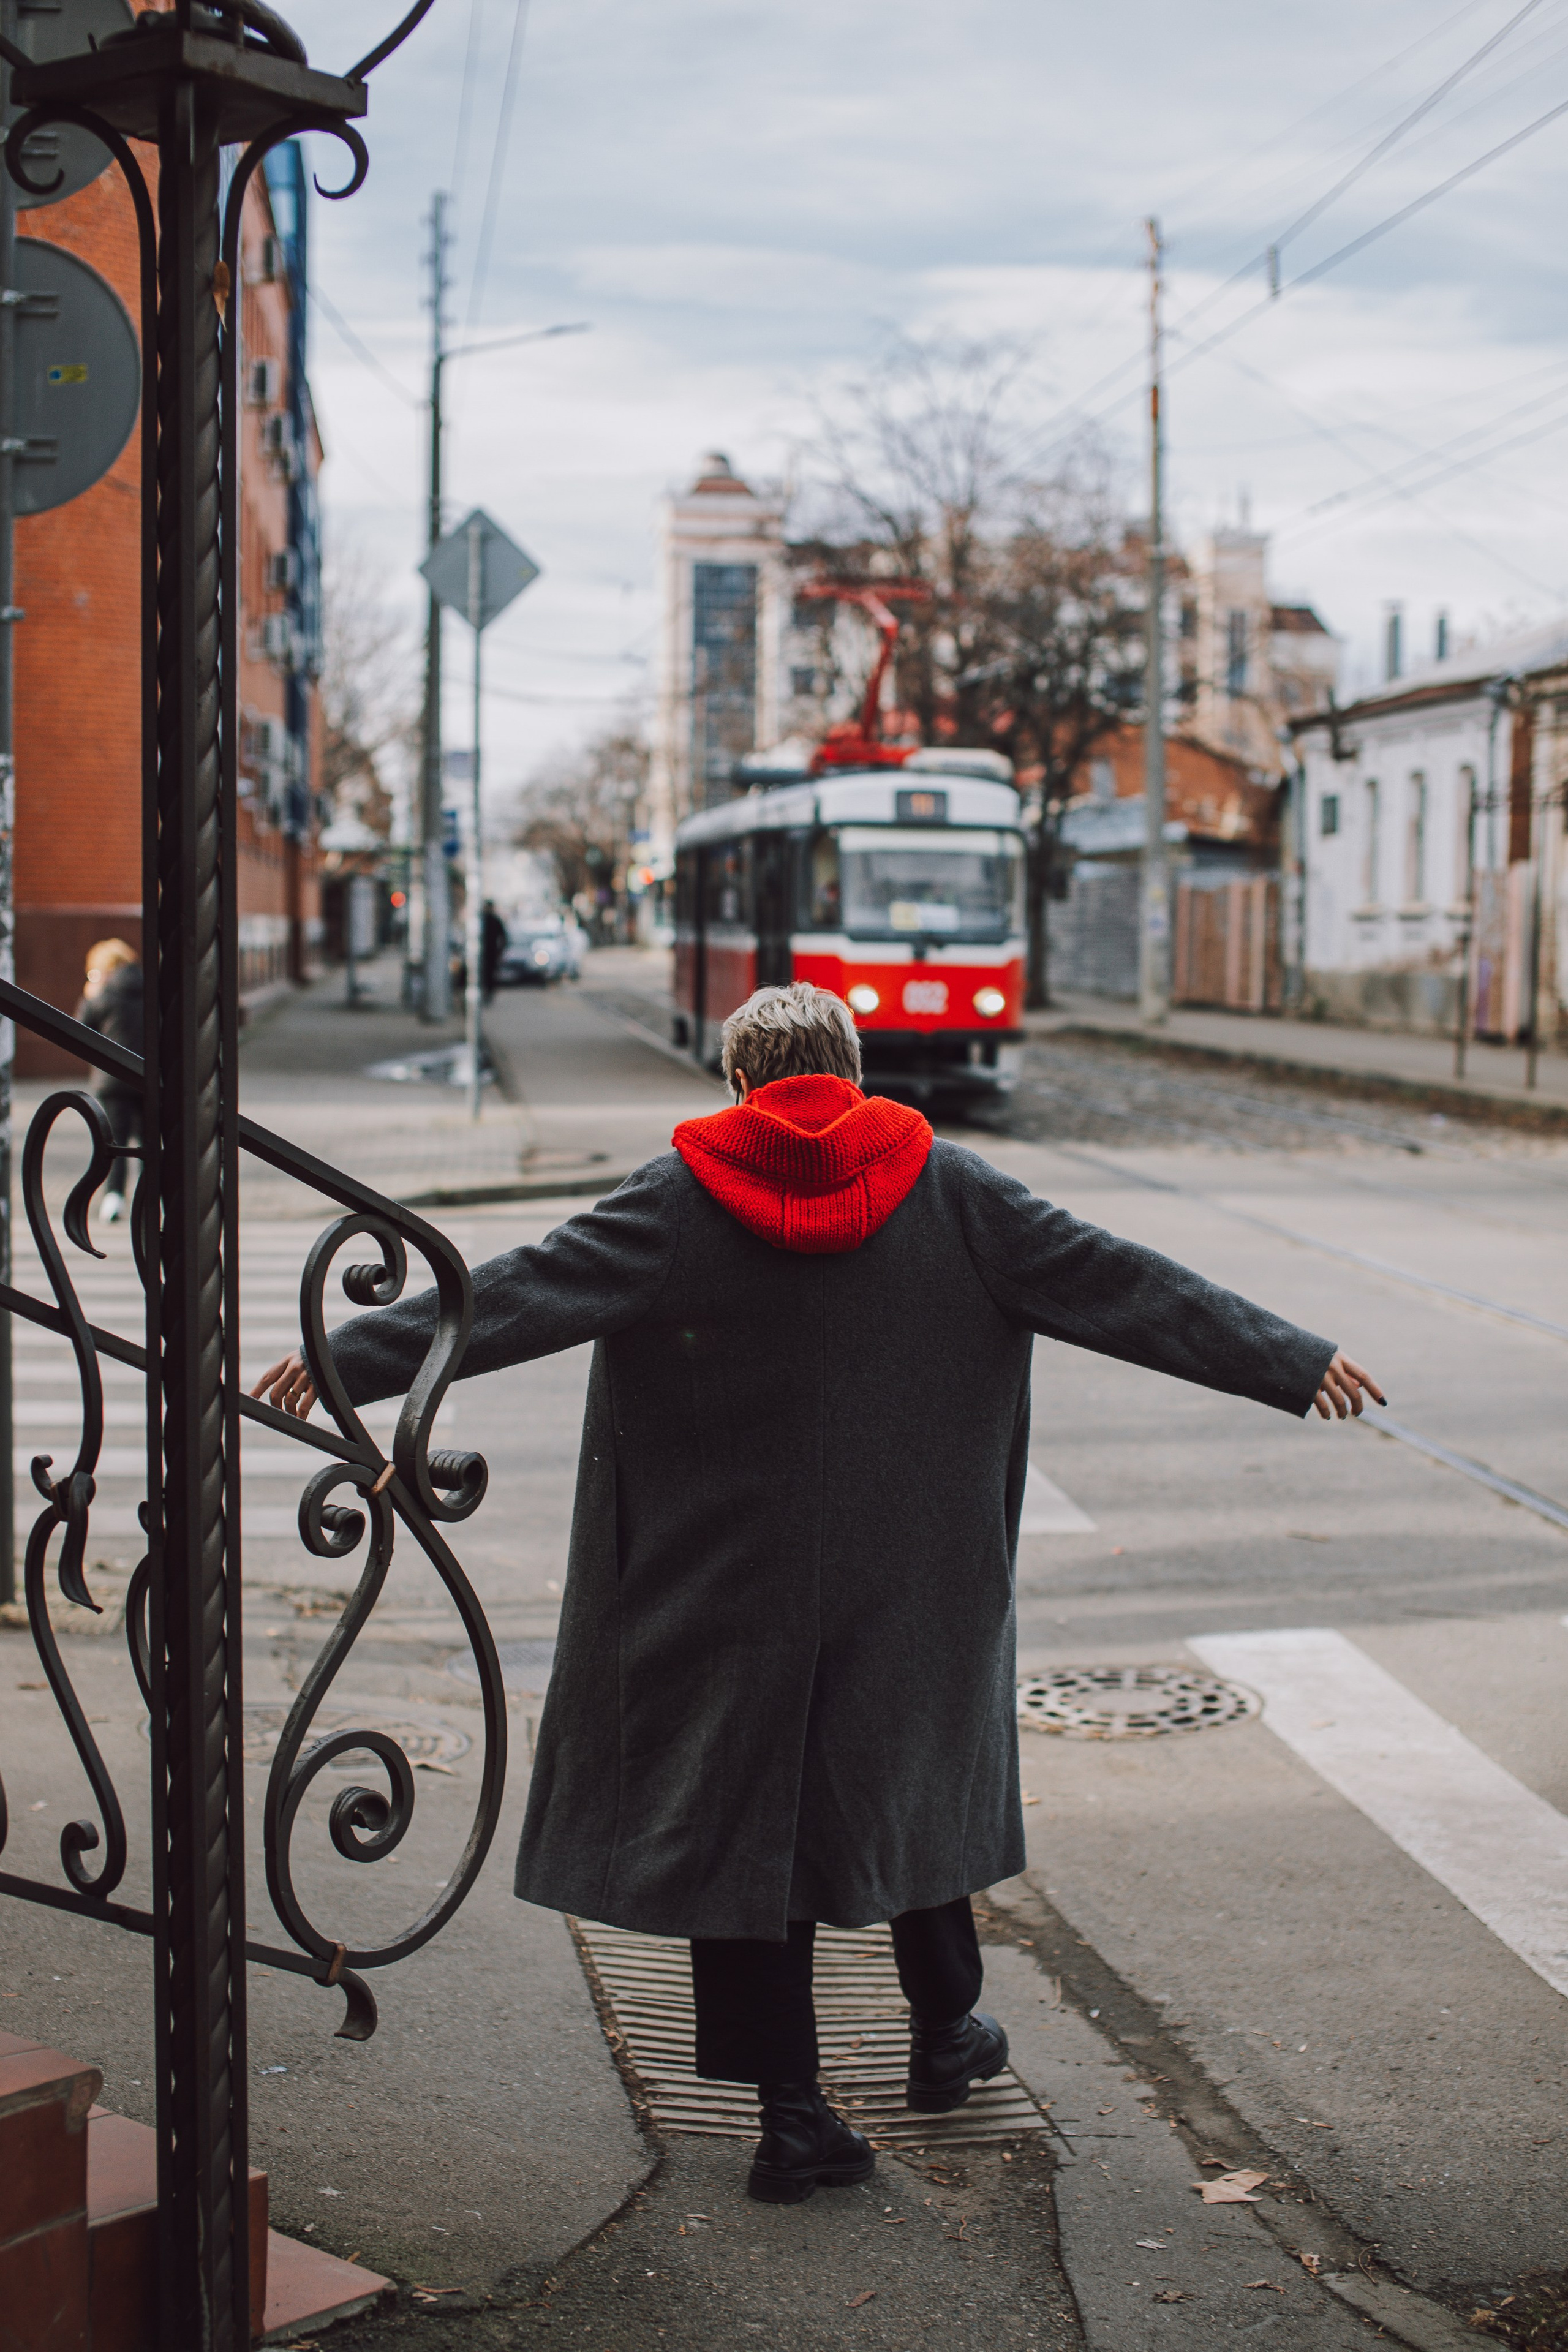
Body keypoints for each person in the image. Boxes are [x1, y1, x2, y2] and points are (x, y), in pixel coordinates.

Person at [254, 982, 1382, 2206]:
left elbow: (516, 1294)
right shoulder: (953, 1191)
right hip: (915, 1586)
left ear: (739, 1083)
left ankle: (793, 2124)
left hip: (724, 1592)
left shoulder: (675, 1200)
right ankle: (946, 2036)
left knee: (747, 1842)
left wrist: (345, 1360)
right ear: (851, 1070)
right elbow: (1121, 1283)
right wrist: (1288, 1359)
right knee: (912, 1790)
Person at [75, 938, 143, 1225]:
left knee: (114, 1143)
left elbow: (80, 1033)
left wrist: (90, 996)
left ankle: (114, 1198)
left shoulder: (103, 995)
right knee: (150, 1142)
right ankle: (153, 1199)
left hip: (112, 1082)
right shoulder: (152, 990)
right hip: (149, 1080)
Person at [480, 901, 509, 1003]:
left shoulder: (492, 920)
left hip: (490, 952)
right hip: (484, 953)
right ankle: (486, 994)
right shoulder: (482, 919)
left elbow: (504, 937)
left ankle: (488, 994)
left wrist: (500, 951)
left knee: (489, 974)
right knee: (485, 974)